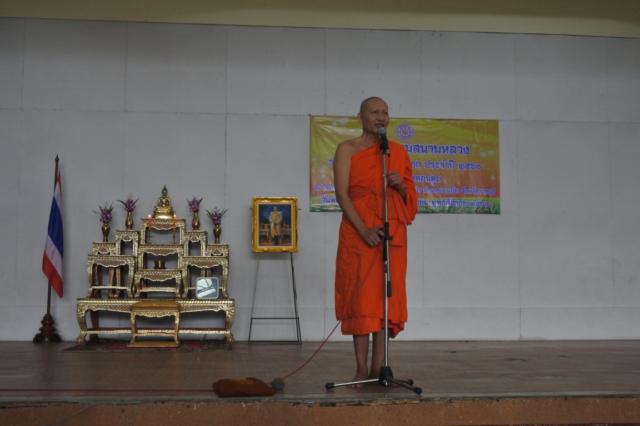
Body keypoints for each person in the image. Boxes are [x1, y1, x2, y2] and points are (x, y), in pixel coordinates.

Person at [333, 97, 418, 383]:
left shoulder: (397, 152)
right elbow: (342, 194)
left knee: (385, 300)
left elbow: (411, 199)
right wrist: (364, 230)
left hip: (391, 235)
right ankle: (360, 367)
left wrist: (400, 187)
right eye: (375, 112)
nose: (381, 117)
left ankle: (378, 368)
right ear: (360, 116)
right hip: (359, 234)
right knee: (361, 301)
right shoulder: (347, 149)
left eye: (385, 112)